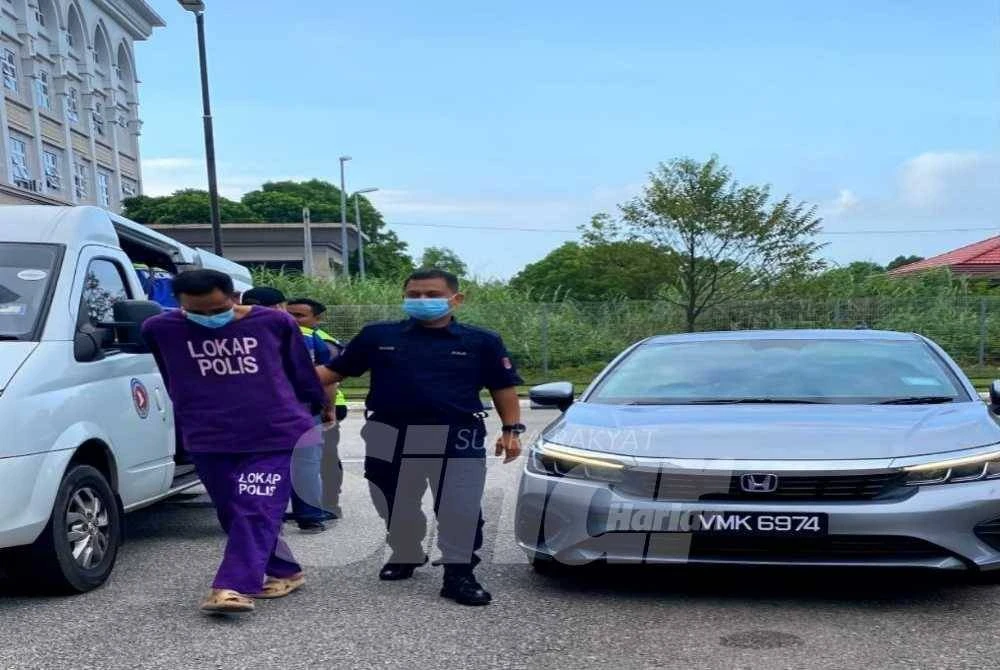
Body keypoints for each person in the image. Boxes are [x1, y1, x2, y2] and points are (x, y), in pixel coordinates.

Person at [316, 268, 525, 606]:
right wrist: (274, 379)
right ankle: (406, 550)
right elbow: (331, 372)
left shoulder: (481, 341)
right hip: (388, 432)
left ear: (456, 299)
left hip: (458, 434)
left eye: (432, 294)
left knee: (460, 506)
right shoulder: (377, 335)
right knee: (393, 501)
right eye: (414, 295)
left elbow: (503, 387)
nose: (422, 300)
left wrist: (511, 430)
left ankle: (459, 573)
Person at [141, 270, 329, 614]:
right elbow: (171, 376)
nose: (208, 318)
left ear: (234, 298)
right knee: (231, 511)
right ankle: (286, 571)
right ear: (180, 304)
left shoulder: (273, 323)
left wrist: (318, 406)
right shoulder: (159, 329)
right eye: (196, 312)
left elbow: (299, 368)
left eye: (217, 310)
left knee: (255, 506)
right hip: (208, 435)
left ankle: (233, 586)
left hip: (274, 433)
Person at [242, 287, 335, 533]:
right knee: (305, 462)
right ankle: (310, 515)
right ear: (280, 307)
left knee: (258, 463)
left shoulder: (230, 333)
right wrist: (328, 407)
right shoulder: (305, 335)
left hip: (251, 409)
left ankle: (264, 516)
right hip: (301, 408)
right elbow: (325, 377)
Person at [287, 298, 348, 518]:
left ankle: (329, 505)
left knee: (325, 458)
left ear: (317, 318)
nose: (293, 319)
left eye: (299, 315)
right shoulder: (287, 333)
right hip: (308, 405)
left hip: (328, 404)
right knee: (305, 459)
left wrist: (327, 407)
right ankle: (309, 506)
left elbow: (331, 379)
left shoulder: (323, 340)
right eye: (289, 314)